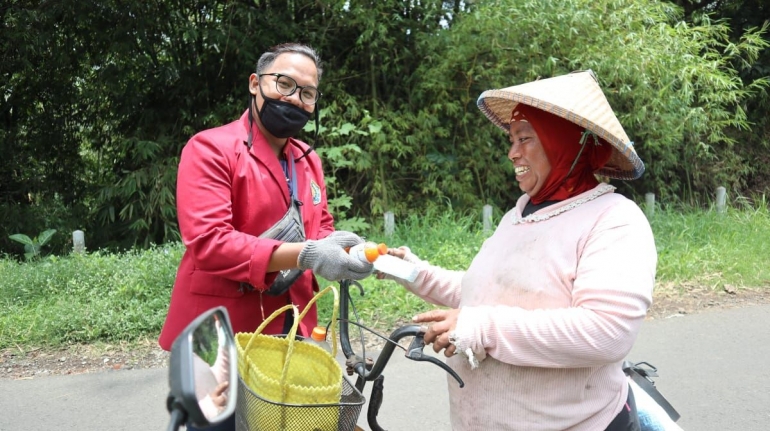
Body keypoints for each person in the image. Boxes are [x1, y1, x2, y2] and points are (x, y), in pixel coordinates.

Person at [379, 70, 657, 431]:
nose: (512, 153)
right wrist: (413, 272)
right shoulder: (519, 214)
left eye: (525, 138)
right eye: (511, 140)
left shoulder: (615, 219)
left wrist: (480, 327)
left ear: (567, 142)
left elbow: (606, 331)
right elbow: (487, 290)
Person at [158, 43, 372, 352]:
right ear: (256, 83)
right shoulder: (210, 149)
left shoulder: (308, 160)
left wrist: (358, 252)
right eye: (284, 84)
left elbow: (320, 230)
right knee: (222, 403)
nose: (295, 98)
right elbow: (209, 243)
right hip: (220, 329)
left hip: (294, 322)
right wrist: (308, 254)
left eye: (307, 93)